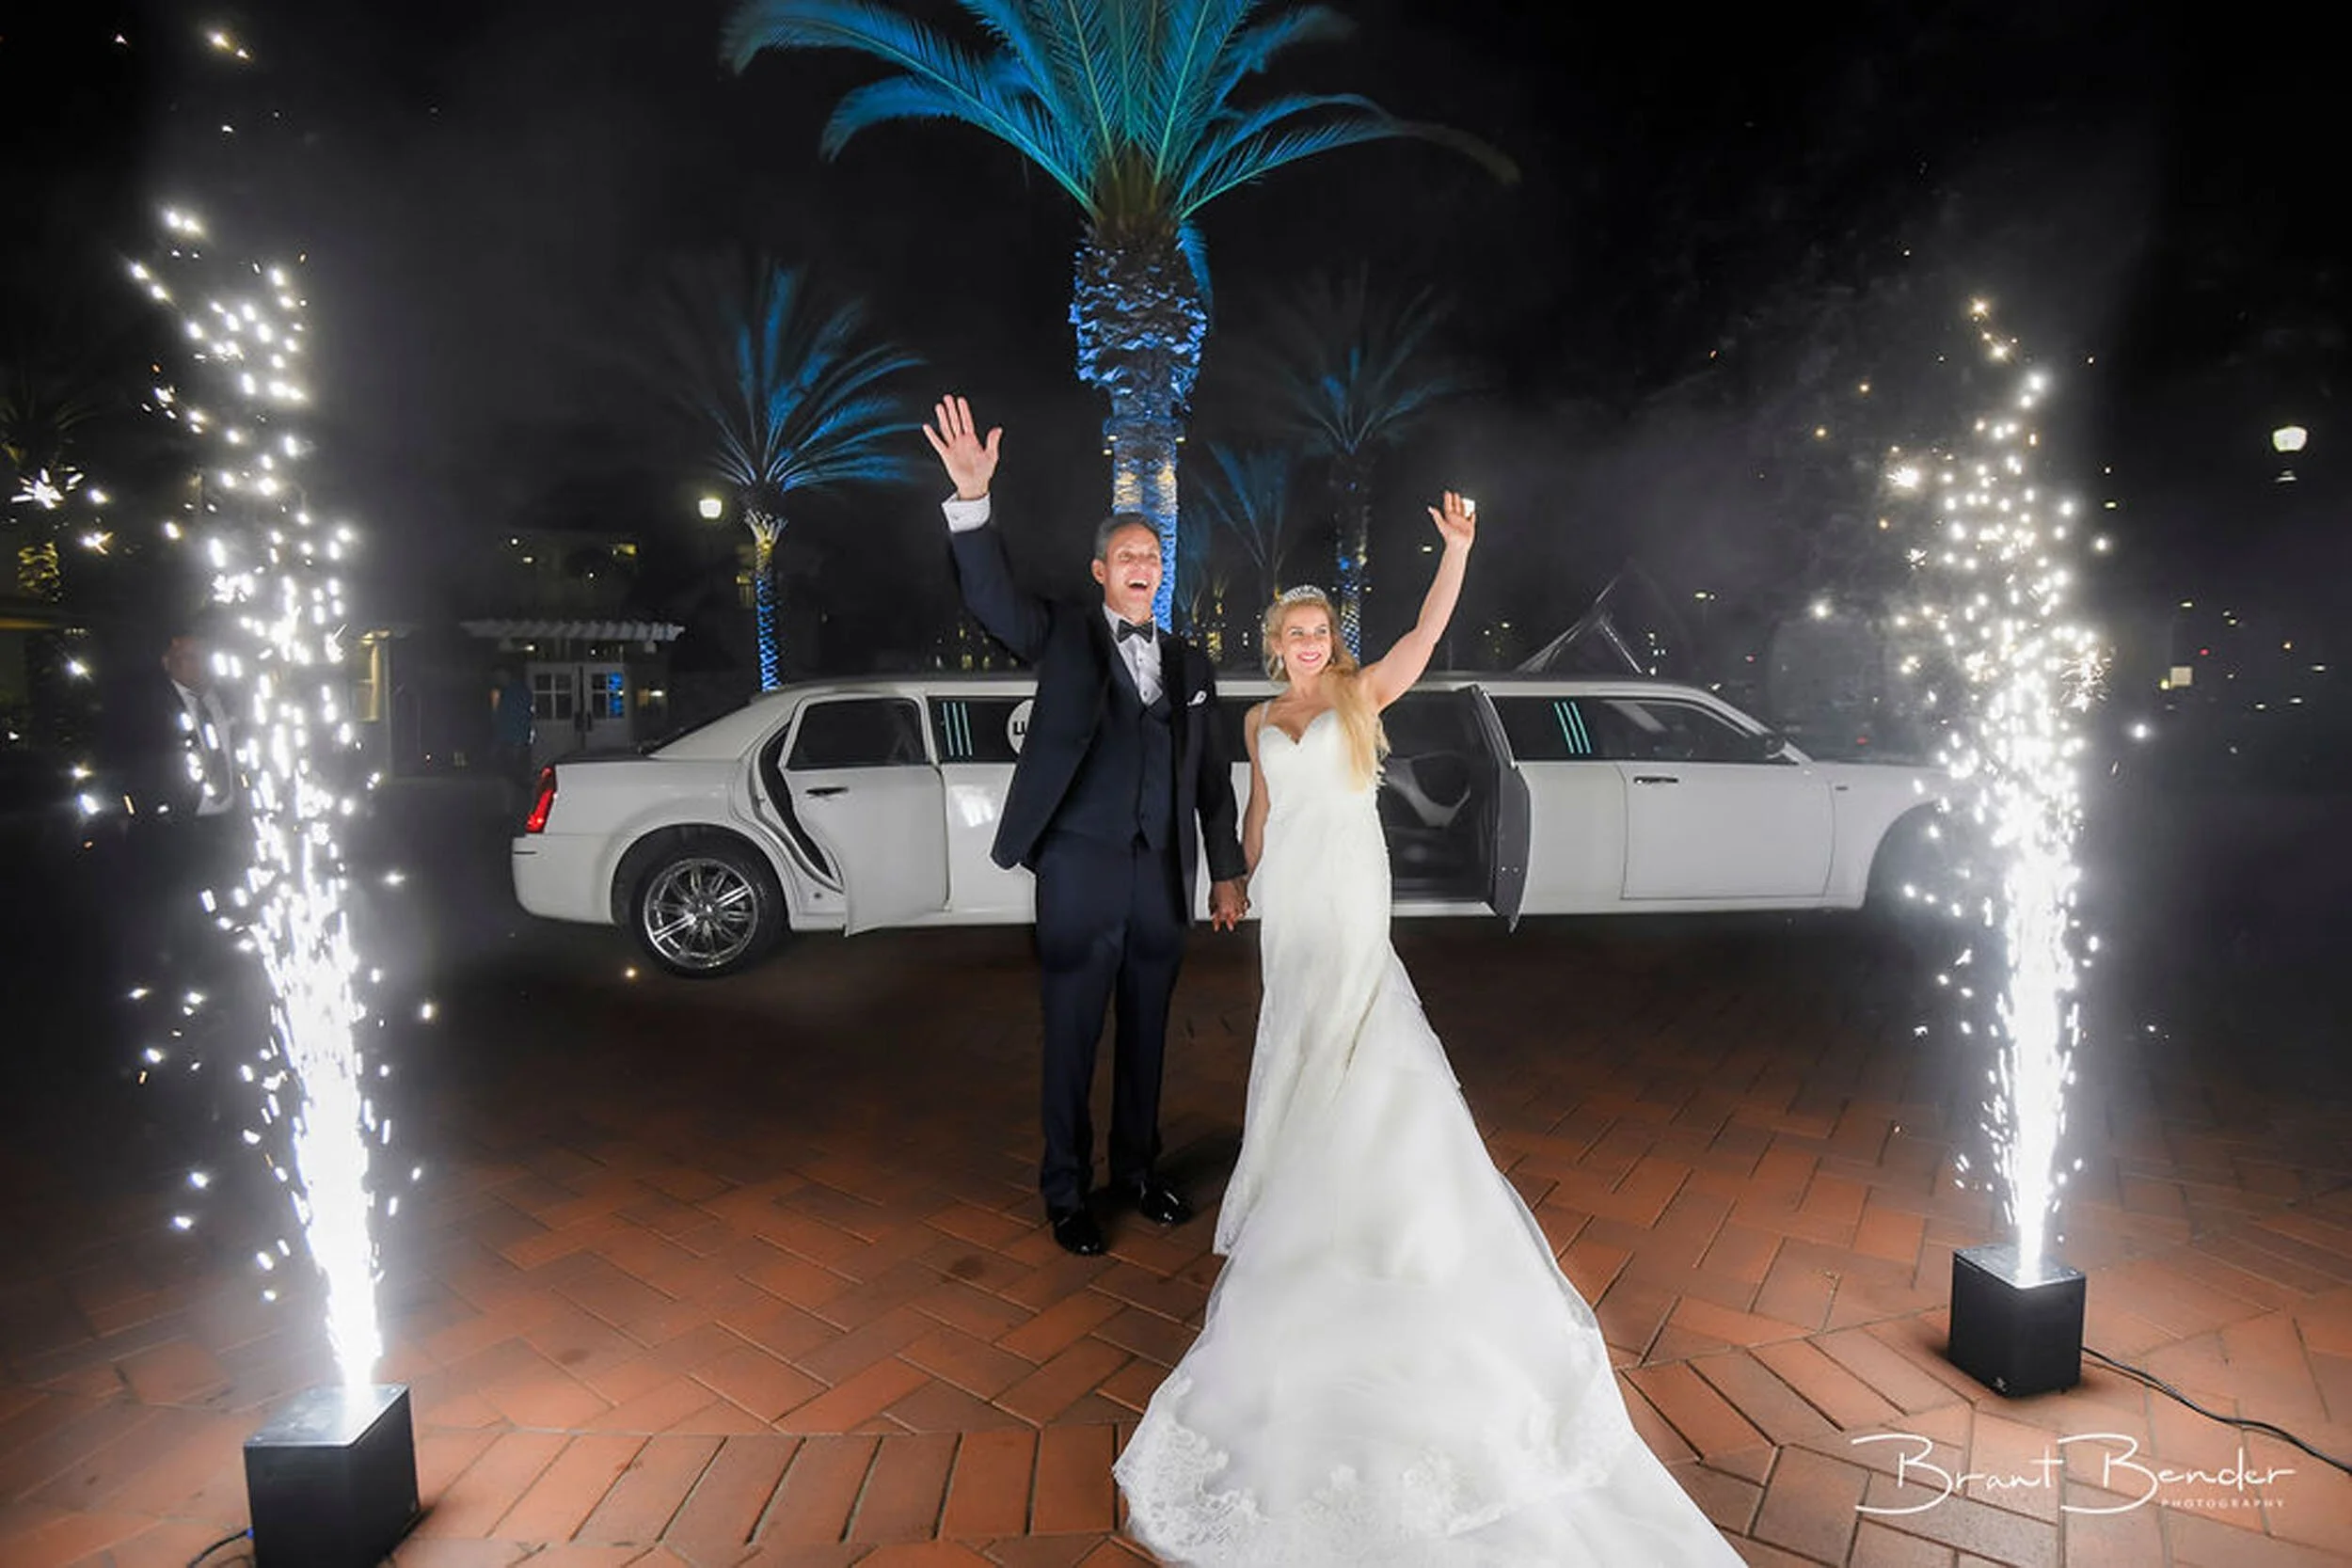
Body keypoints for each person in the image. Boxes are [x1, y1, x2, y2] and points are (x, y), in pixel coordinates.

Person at [1113, 499, 1741, 1564]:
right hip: (1289, 901)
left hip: (1353, 892)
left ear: (1331, 641)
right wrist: (1236, 881)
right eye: (1292, 634)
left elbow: (1424, 637)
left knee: (1364, 1016)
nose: (1305, 645)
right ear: (1274, 646)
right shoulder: (1260, 721)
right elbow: (1259, 814)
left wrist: (1454, 554)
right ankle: (1299, 1154)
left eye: (1317, 631)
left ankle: (1360, 1177)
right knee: (1297, 1026)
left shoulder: (1364, 694)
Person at [924, 394, 1249, 1257]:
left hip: (1160, 874)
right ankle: (1067, 1191)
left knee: (1149, 1028)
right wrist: (972, 502)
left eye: (1151, 554)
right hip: (1077, 866)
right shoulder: (1063, 633)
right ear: (1100, 571)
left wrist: (1225, 870)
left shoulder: (1190, 661)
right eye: (1126, 555)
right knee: (1073, 1030)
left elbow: (1211, 776)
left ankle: (1137, 1172)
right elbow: (993, 600)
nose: (1142, 563)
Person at [489, 665, 536, 818]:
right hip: (520, 739)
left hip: (509, 739)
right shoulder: (523, 692)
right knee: (519, 775)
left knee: (509, 775)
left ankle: (509, 808)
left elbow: (497, 717)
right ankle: (523, 806)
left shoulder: (505, 693)